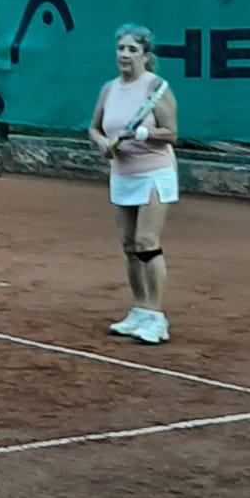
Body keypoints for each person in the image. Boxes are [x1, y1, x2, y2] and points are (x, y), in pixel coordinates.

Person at [88, 24, 179, 345]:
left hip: (155, 172)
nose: (124, 55)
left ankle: (156, 317)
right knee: (129, 244)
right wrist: (102, 142)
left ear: (145, 56)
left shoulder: (157, 88)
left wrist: (141, 133)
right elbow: (94, 128)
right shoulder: (108, 89)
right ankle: (140, 309)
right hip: (121, 172)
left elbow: (171, 134)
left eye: (132, 50)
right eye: (121, 49)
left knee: (146, 241)